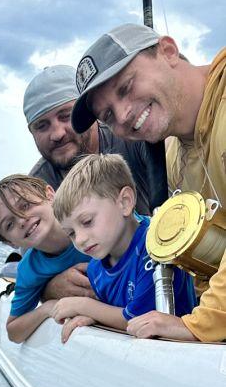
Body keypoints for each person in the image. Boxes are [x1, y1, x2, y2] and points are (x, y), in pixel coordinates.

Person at [71, 23, 226, 342]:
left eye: (126, 87)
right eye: (109, 116)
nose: (124, 115)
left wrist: (199, 324)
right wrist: (110, 313)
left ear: (168, 51)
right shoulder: (171, 157)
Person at [23, 64, 166, 303]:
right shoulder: (37, 187)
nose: (57, 133)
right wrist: (50, 288)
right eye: (42, 125)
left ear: (86, 112)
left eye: (65, 116)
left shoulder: (134, 137)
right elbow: (31, 264)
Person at [50, 154, 196, 342]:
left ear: (125, 202)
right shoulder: (96, 269)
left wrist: (84, 306)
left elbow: (141, 319)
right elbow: (115, 316)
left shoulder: (157, 246)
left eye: (87, 222)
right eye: (70, 233)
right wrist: (95, 317)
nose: (80, 239)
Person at [0, 174, 90, 342]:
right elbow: (14, 332)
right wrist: (47, 308)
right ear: (10, 243)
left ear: (50, 195)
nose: (22, 220)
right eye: (9, 224)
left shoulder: (91, 219)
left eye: (25, 206)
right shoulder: (29, 269)